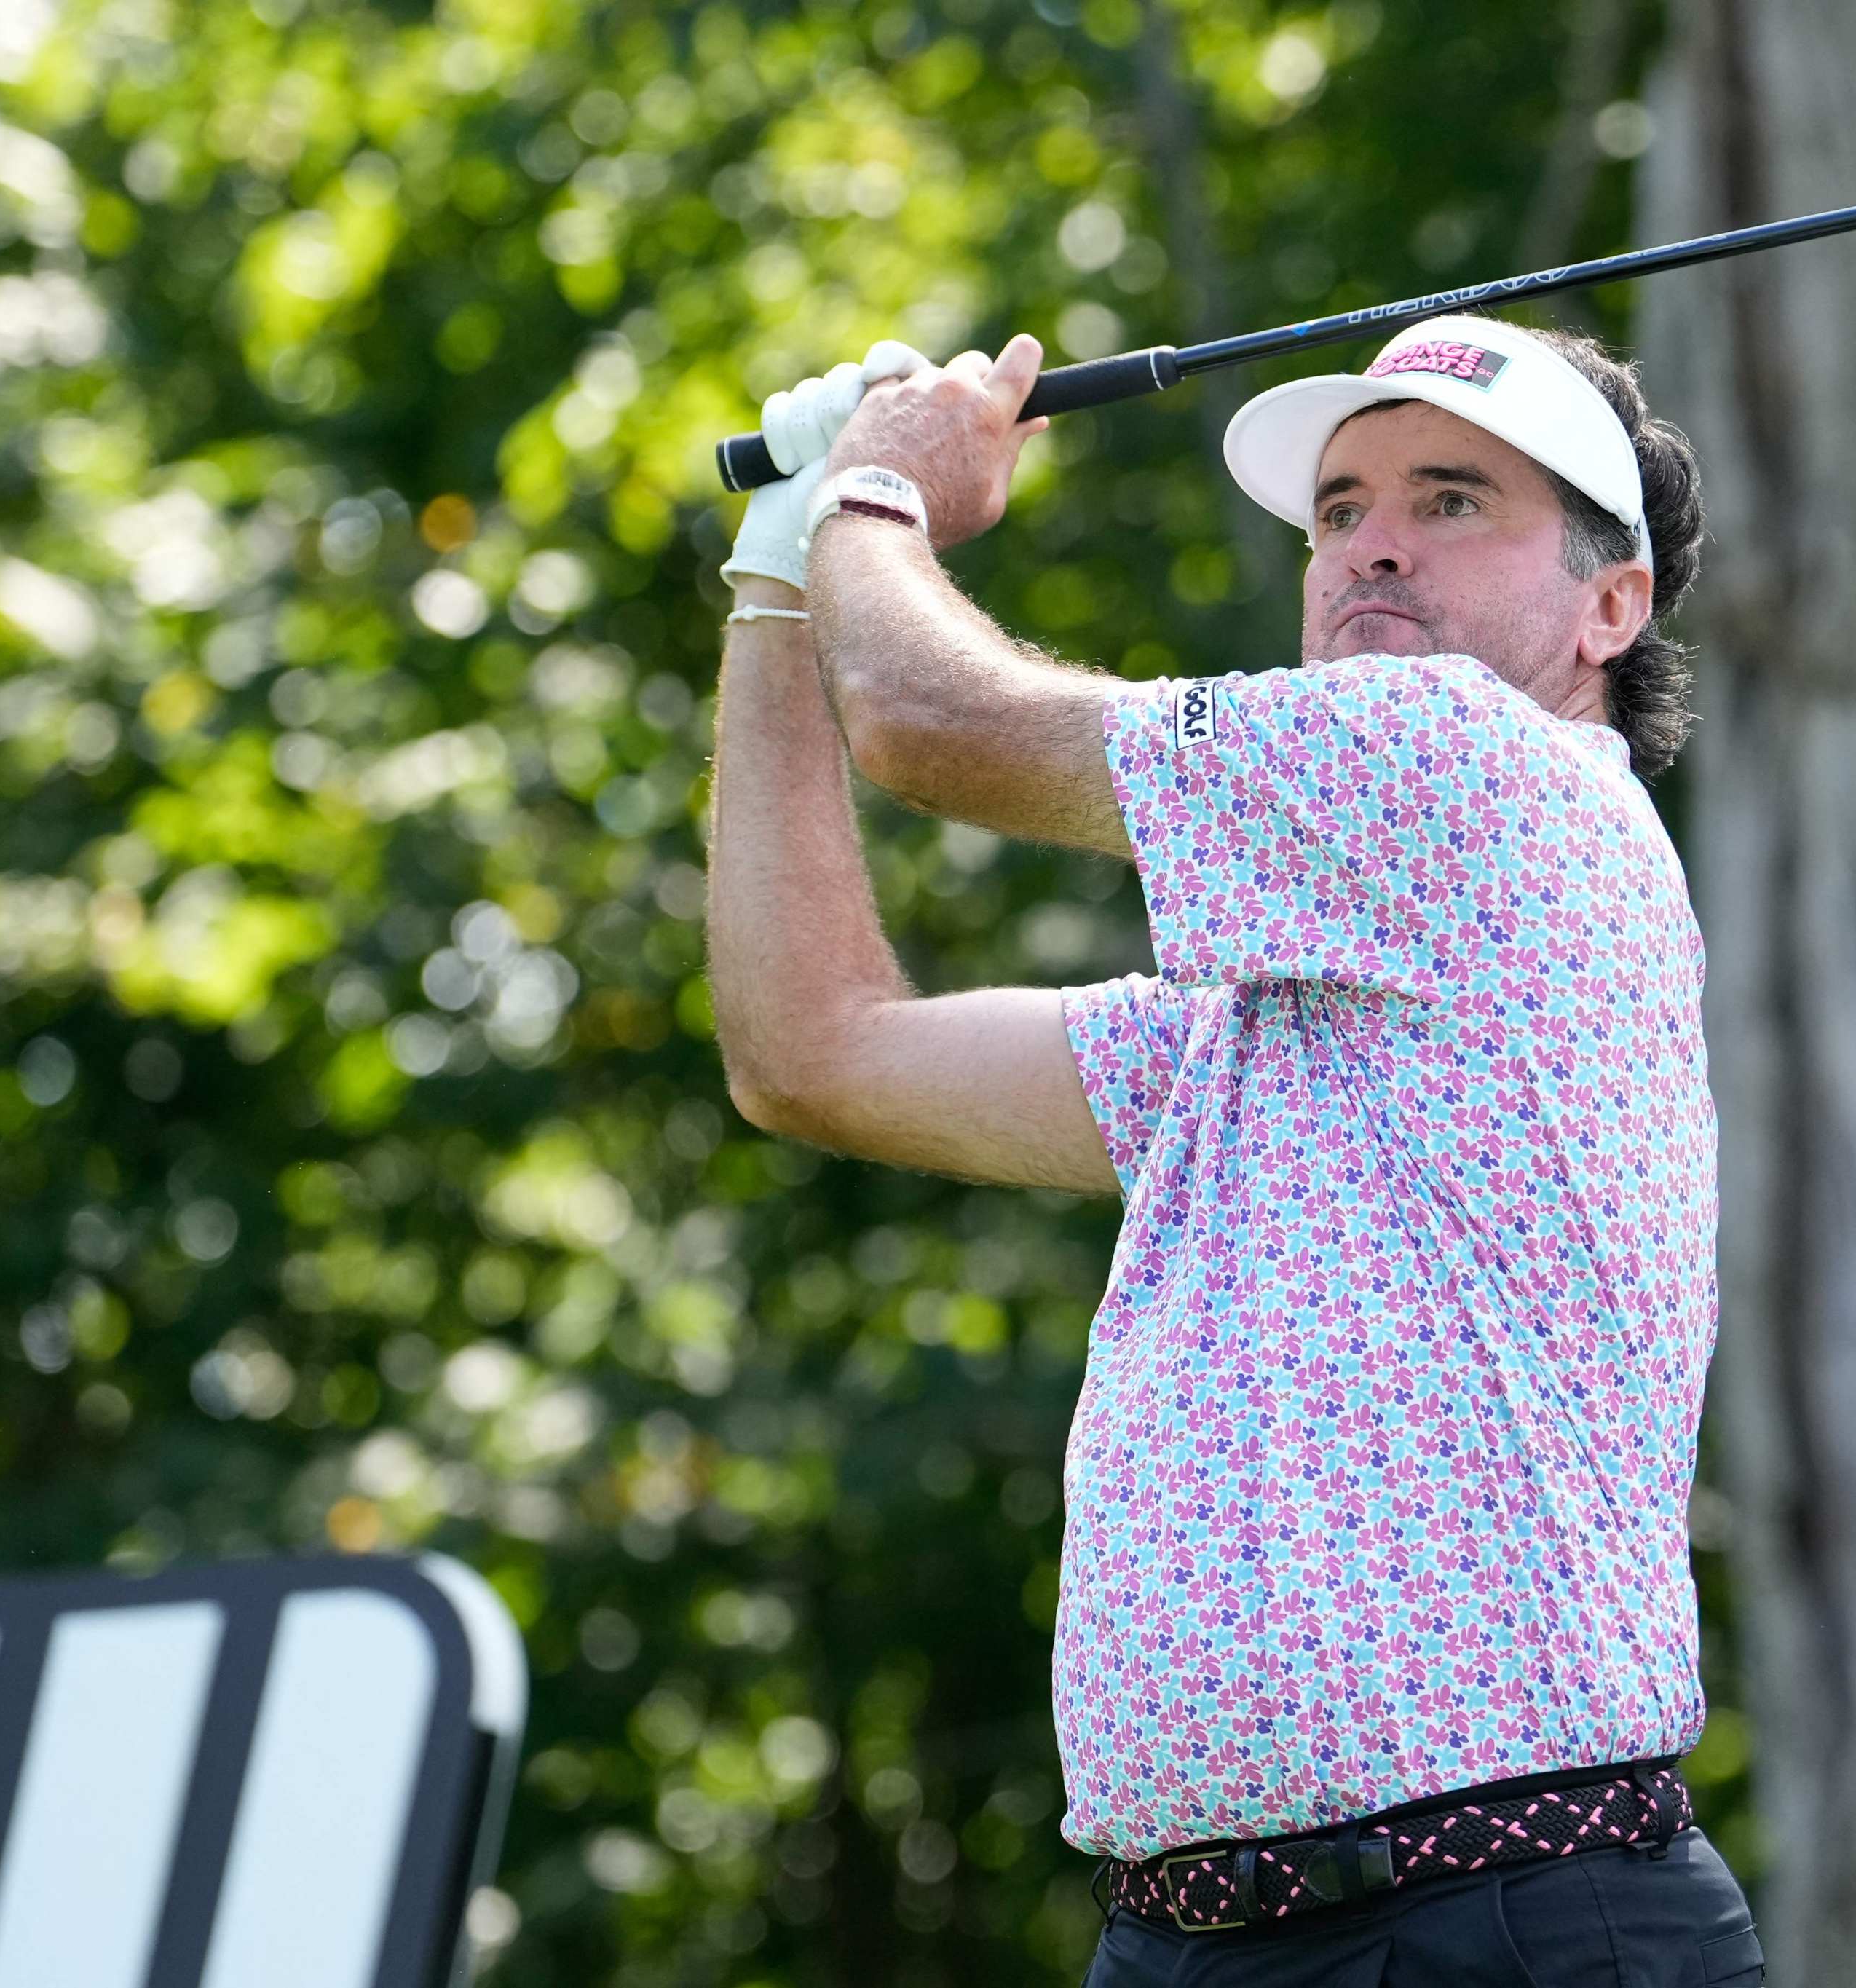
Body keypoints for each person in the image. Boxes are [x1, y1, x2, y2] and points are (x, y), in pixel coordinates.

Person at [704, 313, 1756, 1985]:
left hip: (1504, 1921)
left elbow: (918, 718)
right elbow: (811, 1054)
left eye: (1452, 500)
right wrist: (775, 587)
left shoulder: (1479, 769)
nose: (1374, 542)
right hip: (1199, 1939)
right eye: (1337, 511)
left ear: (1606, 607)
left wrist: (879, 497)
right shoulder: (1256, 1026)